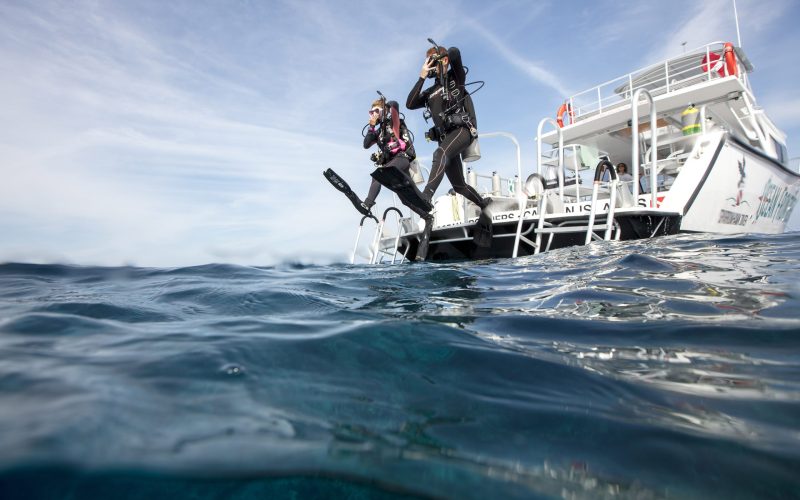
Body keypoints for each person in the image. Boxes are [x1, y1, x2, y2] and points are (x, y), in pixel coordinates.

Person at [406, 44, 491, 259]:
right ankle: (484, 205)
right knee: (459, 186)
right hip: (446, 140)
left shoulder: (456, 78)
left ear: (442, 61)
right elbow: (409, 103)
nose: (433, 65)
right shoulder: (430, 90)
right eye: (430, 62)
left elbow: (455, 53)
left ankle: (425, 197)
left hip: (462, 131)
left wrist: (442, 56)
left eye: (435, 61)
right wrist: (422, 76)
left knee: (439, 154)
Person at [362, 98, 430, 219]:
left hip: (401, 159)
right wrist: (371, 127)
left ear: (384, 111)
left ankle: (367, 204)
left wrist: (386, 106)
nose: (374, 114)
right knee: (405, 199)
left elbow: (395, 104)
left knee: (379, 175)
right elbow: (366, 144)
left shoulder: (393, 123)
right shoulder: (378, 132)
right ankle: (427, 217)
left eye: (376, 111)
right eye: (372, 112)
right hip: (392, 164)